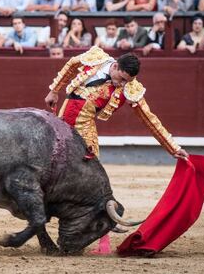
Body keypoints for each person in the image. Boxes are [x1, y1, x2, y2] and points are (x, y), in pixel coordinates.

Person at [44, 46, 189, 254]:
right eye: (120, 78)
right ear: (115, 66)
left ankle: (104, 242)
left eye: (126, 82)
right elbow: (71, 64)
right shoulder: (97, 58)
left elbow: (150, 119)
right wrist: (54, 90)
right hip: (61, 124)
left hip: (85, 132)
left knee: (93, 185)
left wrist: (173, 147)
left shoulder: (131, 89)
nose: (120, 84)